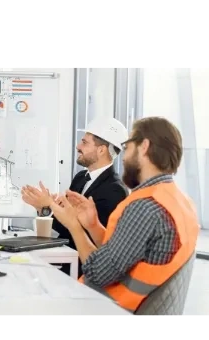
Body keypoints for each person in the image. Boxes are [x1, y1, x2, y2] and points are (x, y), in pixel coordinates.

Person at [49, 116, 200, 315]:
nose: (123, 157)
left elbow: (97, 273)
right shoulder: (179, 201)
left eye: (127, 147)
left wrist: (74, 225)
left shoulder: (146, 207)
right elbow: (124, 253)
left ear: (144, 147)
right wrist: (93, 225)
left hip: (108, 309)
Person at [21, 117, 129, 255]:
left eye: (84, 143)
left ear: (101, 150)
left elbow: (84, 235)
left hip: (83, 263)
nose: (78, 147)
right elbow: (65, 225)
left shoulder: (115, 190)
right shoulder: (80, 177)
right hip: (65, 255)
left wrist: (49, 206)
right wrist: (43, 207)